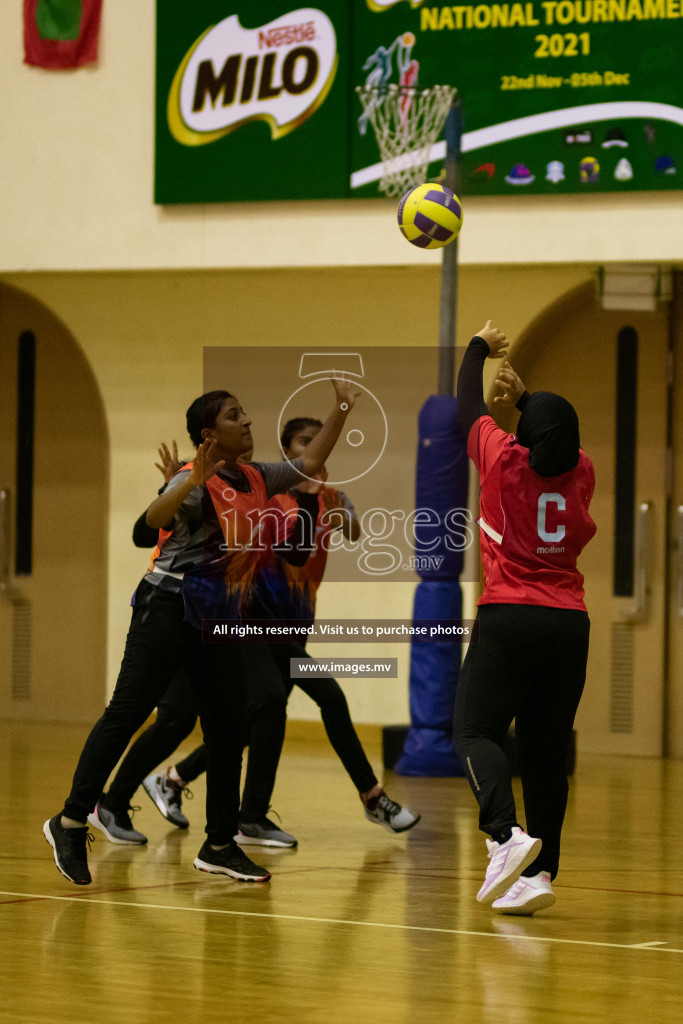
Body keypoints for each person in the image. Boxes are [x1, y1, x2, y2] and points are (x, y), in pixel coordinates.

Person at [43, 377, 358, 886]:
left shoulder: (257, 477)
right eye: (235, 416)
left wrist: (341, 409)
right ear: (209, 433)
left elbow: (306, 463)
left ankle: (220, 844)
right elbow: (144, 527)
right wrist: (186, 483)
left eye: (245, 414)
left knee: (229, 728)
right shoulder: (194, 478)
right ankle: (72, 820)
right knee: (127, 714)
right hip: (167, 608)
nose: (248, 422)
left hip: (218, 618)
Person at [100, 420, 420, 845]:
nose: (313, 452)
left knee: (245, 723)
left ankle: (174, 783)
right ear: (289, 454)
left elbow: (353, 530)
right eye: (304, 444)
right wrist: (182, 489)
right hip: (249, 625)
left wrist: (343, 517)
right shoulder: (273, 500)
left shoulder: (326, 496)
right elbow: (292, 550)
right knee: (308, 701)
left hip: (282, 628)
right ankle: (366, 798)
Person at [453, 323, 596, 915]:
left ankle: (505, 835)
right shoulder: (583, 468)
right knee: (544, 753)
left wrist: (479, 351)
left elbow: (464, 407)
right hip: (570, 625)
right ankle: (539, 877)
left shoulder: (504, 459)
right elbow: (558, 436)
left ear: (526, 434)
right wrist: (530, 400)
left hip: (510, 614)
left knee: (473, 731)